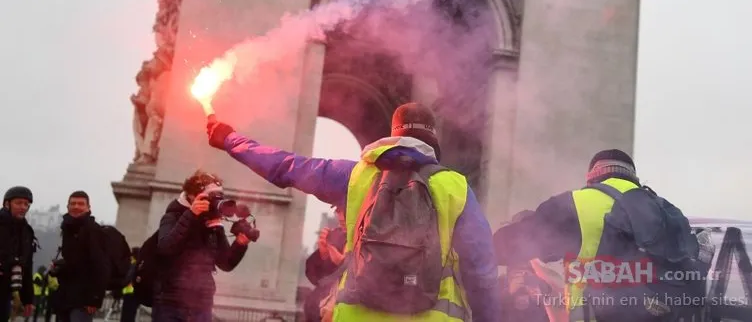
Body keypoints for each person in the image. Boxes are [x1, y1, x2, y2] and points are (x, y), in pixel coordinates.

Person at [207, 102, 501, 322]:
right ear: (433, 142)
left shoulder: (354, 177)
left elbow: (287, 167)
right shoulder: (455, 188)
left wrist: (229, 139)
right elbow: (481, 273)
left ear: (393, 135)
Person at [493, 149, 710, 322]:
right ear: (632, 177)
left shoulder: (577, 205)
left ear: (592, 176)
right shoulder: (664, 211)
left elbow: (510, 246)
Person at [153, 170, 251, 322]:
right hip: (171, 303)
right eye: (210, 197)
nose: (215, 202)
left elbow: (225, 263)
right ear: (192, 196)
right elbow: (165, 248)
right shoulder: (173, 216)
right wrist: (191, 215)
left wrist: (240, 244)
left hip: (202, 304)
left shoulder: (213, 224)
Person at [55, 190, 108, 322]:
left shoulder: (93, 230)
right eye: (73, 203)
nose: (76, 207)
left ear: (88, 208)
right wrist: (59, 267)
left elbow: (100, 265)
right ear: (67, 207)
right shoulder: (67, 229)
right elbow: (75, 262)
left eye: (81, 204)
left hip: (83, 299)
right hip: (66, 296)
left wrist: (94, 298)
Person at [303, 207, 346, 322]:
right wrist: (323, 256)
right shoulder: (338, 236)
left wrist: (343, 263)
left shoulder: (370, 240)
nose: (338, 213)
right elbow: (315, 277)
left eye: (343, 208)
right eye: (337, 208)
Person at [0, 186, 36, 322]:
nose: (23, 207)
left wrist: (28, 298)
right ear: (7, 204)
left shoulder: (27, 232)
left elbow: (27, 265)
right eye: (18, 203)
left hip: (6, 291)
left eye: (26, 204)